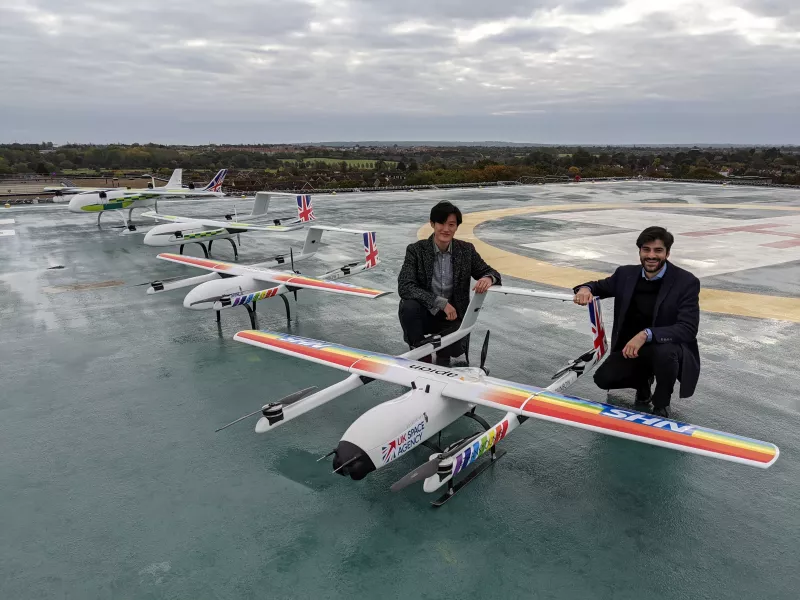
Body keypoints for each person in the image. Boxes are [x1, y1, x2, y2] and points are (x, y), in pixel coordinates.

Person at [573, 226, 700, 417]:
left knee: (664, 352)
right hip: (631, 348)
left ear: (667, 253)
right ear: (639, 251)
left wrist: (646, 334)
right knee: (603, 379)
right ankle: (643, 383)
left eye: (658, 250)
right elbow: (599, 286)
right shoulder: (625, 274)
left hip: (665, 348)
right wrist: (585, 289)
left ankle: (661, 401)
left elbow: (688, 329)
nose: (651, 255)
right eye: (646, 250)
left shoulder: (686, 281)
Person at [398, 201, 501, 365]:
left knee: (448, 358)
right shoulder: (416, 250)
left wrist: (487, 278)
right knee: (408, 306)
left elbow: (492, 273)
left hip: (452, 317)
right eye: (441, 223)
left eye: (451, 224)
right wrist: (440, 303)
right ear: (432, 224)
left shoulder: (466, 250)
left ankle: (444, 353)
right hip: (426, 314)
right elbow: (405, 286)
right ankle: (419, 352)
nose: (446, 229)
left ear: (456, 227)